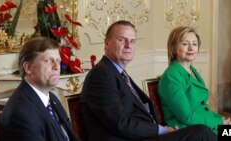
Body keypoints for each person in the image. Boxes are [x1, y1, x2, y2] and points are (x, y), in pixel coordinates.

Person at [80, 20, 217, 141]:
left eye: (132, 41)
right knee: (203, 132)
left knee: (229, 133)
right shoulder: (101, 75)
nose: (129, 45)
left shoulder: (118, 73)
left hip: (148, 134)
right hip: (132, 137)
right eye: (122, 39)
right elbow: (121, 123)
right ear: (107, 43)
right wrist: (161, 130)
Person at [0, 37, 80, 141]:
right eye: (48, 61)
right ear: (28, 68)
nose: (56, 66)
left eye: (58, 61)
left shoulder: (52, 98)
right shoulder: (21, 112)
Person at [158, 26, 231, 135]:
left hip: (204, 123)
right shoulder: (171, 76)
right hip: (188, 130)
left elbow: (202, 108)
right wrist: (219, 122)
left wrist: (222, 120)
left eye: (194, 44)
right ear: (173, 47)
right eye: (185, 44)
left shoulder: (192, 70)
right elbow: (187, 117)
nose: (191, 48)